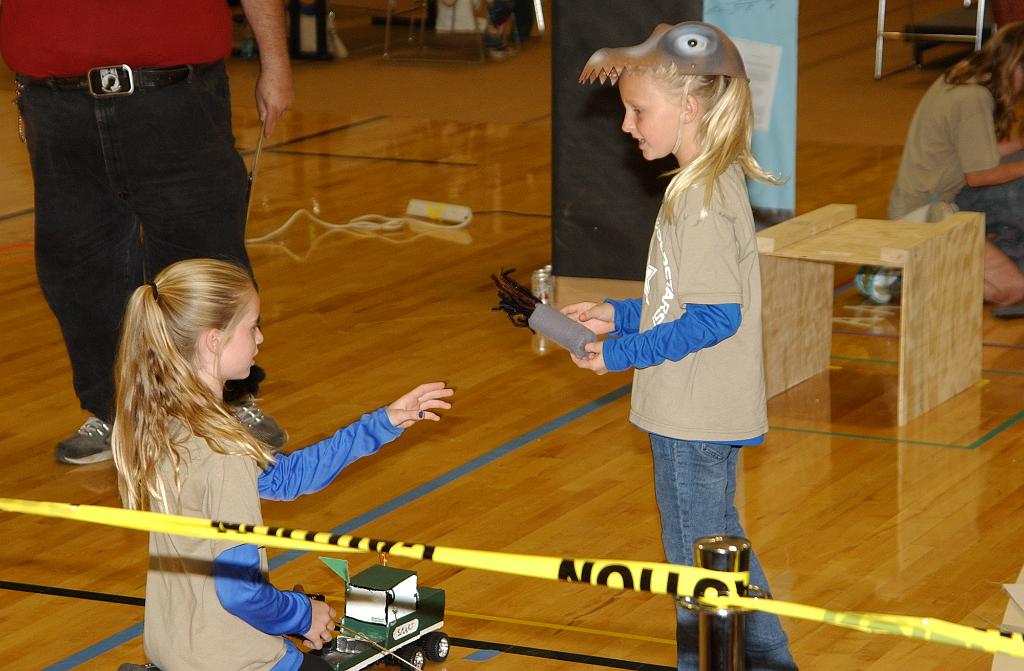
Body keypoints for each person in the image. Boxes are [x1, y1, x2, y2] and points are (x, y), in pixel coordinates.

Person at [563, 22, 797, 670]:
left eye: (639, 110)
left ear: (688, 108)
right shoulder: (700, 185)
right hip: (690, 417)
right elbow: (682, 301)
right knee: (715, 558)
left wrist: (618, 354)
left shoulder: (697, 197)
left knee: (698, 569)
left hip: (694, 422)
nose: (627, 125)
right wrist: (619, 316)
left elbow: (715, 318)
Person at [111, 258, 454, 671]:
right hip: (233, 660)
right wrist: (303, 614)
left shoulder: (166, 423)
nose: (260, 337)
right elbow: (241, 593)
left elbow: (288, 478)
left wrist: (382, 423)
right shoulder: (224, 453)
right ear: (215, 341)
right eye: (252, 326)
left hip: (175, 650)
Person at [0, 0, 294, 464]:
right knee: (77, 270)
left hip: (177, 100)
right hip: (56, 108)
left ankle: (226, 404)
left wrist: (275, 63)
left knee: (205, 264)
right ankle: (118, 411)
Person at [888, 21, 1024, 306]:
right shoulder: (973, 98)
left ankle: (923, 266)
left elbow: (980, 150)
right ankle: (910, 276)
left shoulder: (962, 78)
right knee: (1014, 289)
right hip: (924, 217)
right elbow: (979, 175)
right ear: (1016, 67)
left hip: (932, 204)